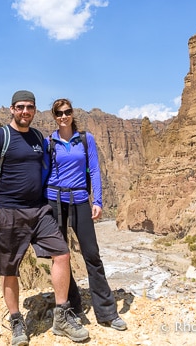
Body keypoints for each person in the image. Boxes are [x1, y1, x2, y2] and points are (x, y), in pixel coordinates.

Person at [0, 90, 89, 346]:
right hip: (9, 211)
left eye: (29, 107)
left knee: (61, 254)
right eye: (20, 107)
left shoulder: (39, 137)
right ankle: (17, 321)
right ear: (12, 109)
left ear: (34, 110)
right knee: (10, 269)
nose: (25, 111)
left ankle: (61, 317)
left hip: (39, 210)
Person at [44, 98, 128, 331]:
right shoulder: (49, 141)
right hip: (55, 201)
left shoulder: (85, 139)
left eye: (67, 112)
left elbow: (95, 171)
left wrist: (98, 201)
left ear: (72, 113)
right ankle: (72, 308)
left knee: (92, 255)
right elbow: (42, 172)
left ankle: (107, 312)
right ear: (54, 116)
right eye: (59, 113)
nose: (63, 116)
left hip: (80, 199)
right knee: (61, 257)